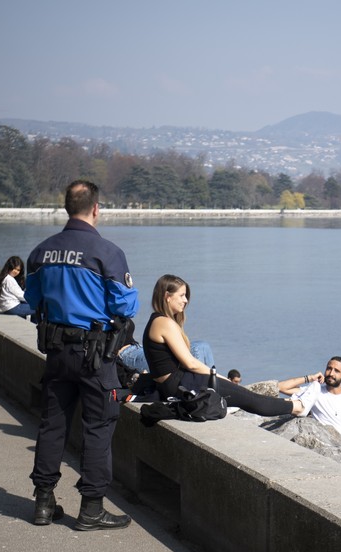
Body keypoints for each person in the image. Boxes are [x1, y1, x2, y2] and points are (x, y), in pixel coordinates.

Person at [25, 179, 139, 531]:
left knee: (52, 424)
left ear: (65, 207)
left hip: (57, 350)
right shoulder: (106, 252)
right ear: (96, 208)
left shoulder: (41, 252)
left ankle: (43, 503)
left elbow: (32, 300)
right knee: (99, 427)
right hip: (95, 354)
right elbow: (126, 303)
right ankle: (90, 507)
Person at [142, 274, 305, 417]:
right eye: (182, 295)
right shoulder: (164, 322)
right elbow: (190, 363)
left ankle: (292, 405)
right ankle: (296, 407)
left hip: (174, 384)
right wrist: (215, 375)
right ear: (167, 296)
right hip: (180, 385)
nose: (186, 300)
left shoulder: (157, 320)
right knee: (250, 398)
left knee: (243, 395)